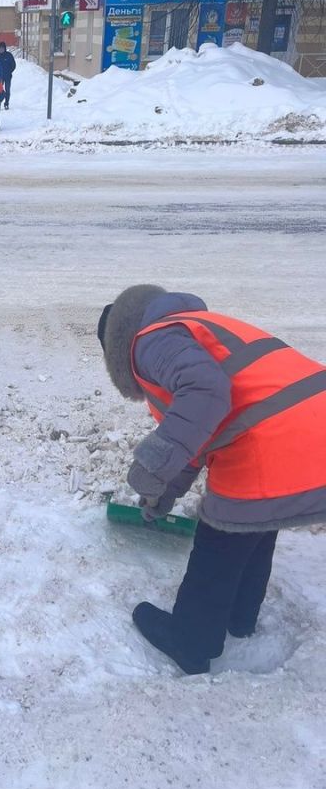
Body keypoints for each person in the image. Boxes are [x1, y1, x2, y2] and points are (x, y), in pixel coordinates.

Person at [97, 284, 326, 675]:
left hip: (274, 436)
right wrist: (163, 493)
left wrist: (150, 467)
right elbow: (198, 432)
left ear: (118, 345)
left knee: (221, 532)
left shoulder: (149, 341)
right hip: (310, 428)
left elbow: (206, 391)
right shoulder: (196, 328)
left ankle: (191, 640)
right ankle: (240, 617)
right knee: (257, 517)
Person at [0, 41, 16, 110]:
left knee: (7, 90)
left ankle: (6, 103)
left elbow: (13, 65)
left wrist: (9, 71)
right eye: (0, 48)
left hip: (7, 77)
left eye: (2, 48)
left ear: (4, 48)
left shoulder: (9, 55)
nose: (1, 49)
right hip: (0, 77)